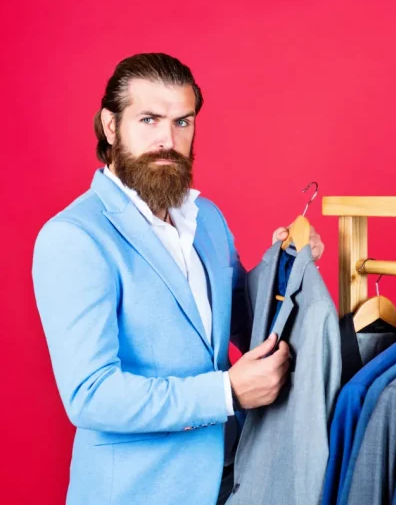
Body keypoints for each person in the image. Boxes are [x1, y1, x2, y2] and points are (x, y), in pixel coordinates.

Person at [31, 52, 325, 505]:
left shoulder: (205, 218)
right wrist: (225, 392)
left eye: (182, 123)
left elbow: (245, 324)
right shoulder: (73, 237)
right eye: (149, 120)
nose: (168, 140)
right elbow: (91, 395)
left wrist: (287, 266)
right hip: (136, 492)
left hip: (234, 482)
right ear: (111, 127)